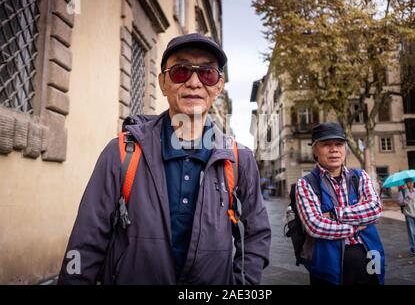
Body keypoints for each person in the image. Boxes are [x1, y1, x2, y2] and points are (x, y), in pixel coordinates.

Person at [57, 33, 271, 285]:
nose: (194, 82)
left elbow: (255, 234)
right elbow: (86, 241)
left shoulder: (239, 159)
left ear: (218, 86)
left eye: (207, 73)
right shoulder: (121, 152)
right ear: (163, 82)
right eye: (181, 71)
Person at [295, 122, 385, 285]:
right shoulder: (305, 184)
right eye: (326, 145)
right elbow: (315, 225)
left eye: (339, 144)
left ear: (345, 148)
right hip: (328, 268)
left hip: (371, 257)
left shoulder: (360, 176)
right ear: (315, 150)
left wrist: (335, 214)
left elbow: (375, 209)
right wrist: (357, 225)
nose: (334, 149)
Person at [397, 178, 415, 256]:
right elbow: (400, 203)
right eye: (409, 182)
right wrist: (407, 199)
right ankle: (413, 248)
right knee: (412, 233)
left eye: (412, 182)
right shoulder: (402, 192)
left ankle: (414, 244)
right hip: (409, 215)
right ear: (406, 183)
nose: (411, 183)